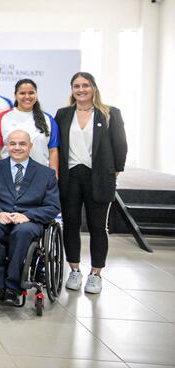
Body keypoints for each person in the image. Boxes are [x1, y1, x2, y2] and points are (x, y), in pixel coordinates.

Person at [55, 72, 127, 294]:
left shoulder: (109, 114)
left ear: (93, 88)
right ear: (72, 89)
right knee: (71, 224)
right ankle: (74, 270)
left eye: (85, 85)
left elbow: (120, 145)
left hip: (99, 177)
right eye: (76, 85)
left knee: (98, 226)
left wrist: (114, 172)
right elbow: (56, 146)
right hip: (70, 178)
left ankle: (96, 274)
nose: (81, 89)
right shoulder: (63, 114)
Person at [0, 130, 60, 304]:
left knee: (22, 231)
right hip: (0, 217)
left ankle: (13, 288)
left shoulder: (46, 174)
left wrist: (28, 215)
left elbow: (53, 207)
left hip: (29, 222)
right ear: (7, 146)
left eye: (22, 144)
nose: (17, 148)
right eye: (13, 143)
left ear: (30, 146)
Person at [0, 79, 59, 171]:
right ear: (15, 95)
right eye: (22, 93)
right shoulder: (4, 117)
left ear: (36, 95)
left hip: (40, 176)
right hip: (8, 175)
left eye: (31, 93)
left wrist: (54, 175)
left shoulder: (48, 119)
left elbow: (53, 151)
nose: (27, 96)